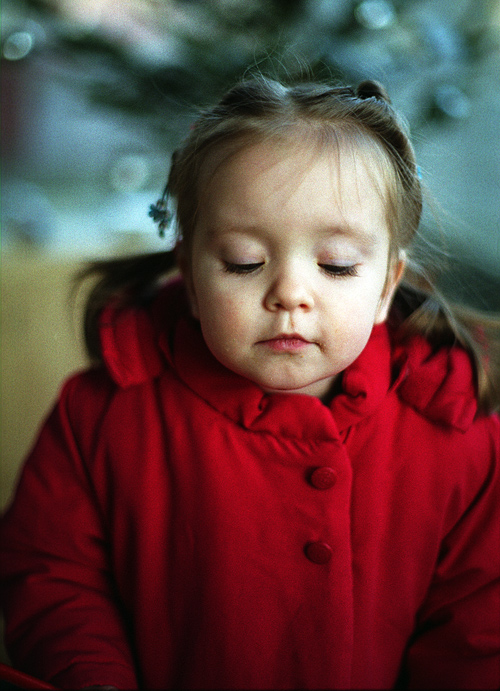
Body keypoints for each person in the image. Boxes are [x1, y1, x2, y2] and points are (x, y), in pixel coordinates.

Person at [1, 76, 499, 691]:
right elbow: (52, 574)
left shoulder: (455, 430)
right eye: (244, 262)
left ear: (386, 287)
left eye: (336, 265)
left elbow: (479, 627)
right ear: (189, 275)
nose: (290, 294)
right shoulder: (104, 414)